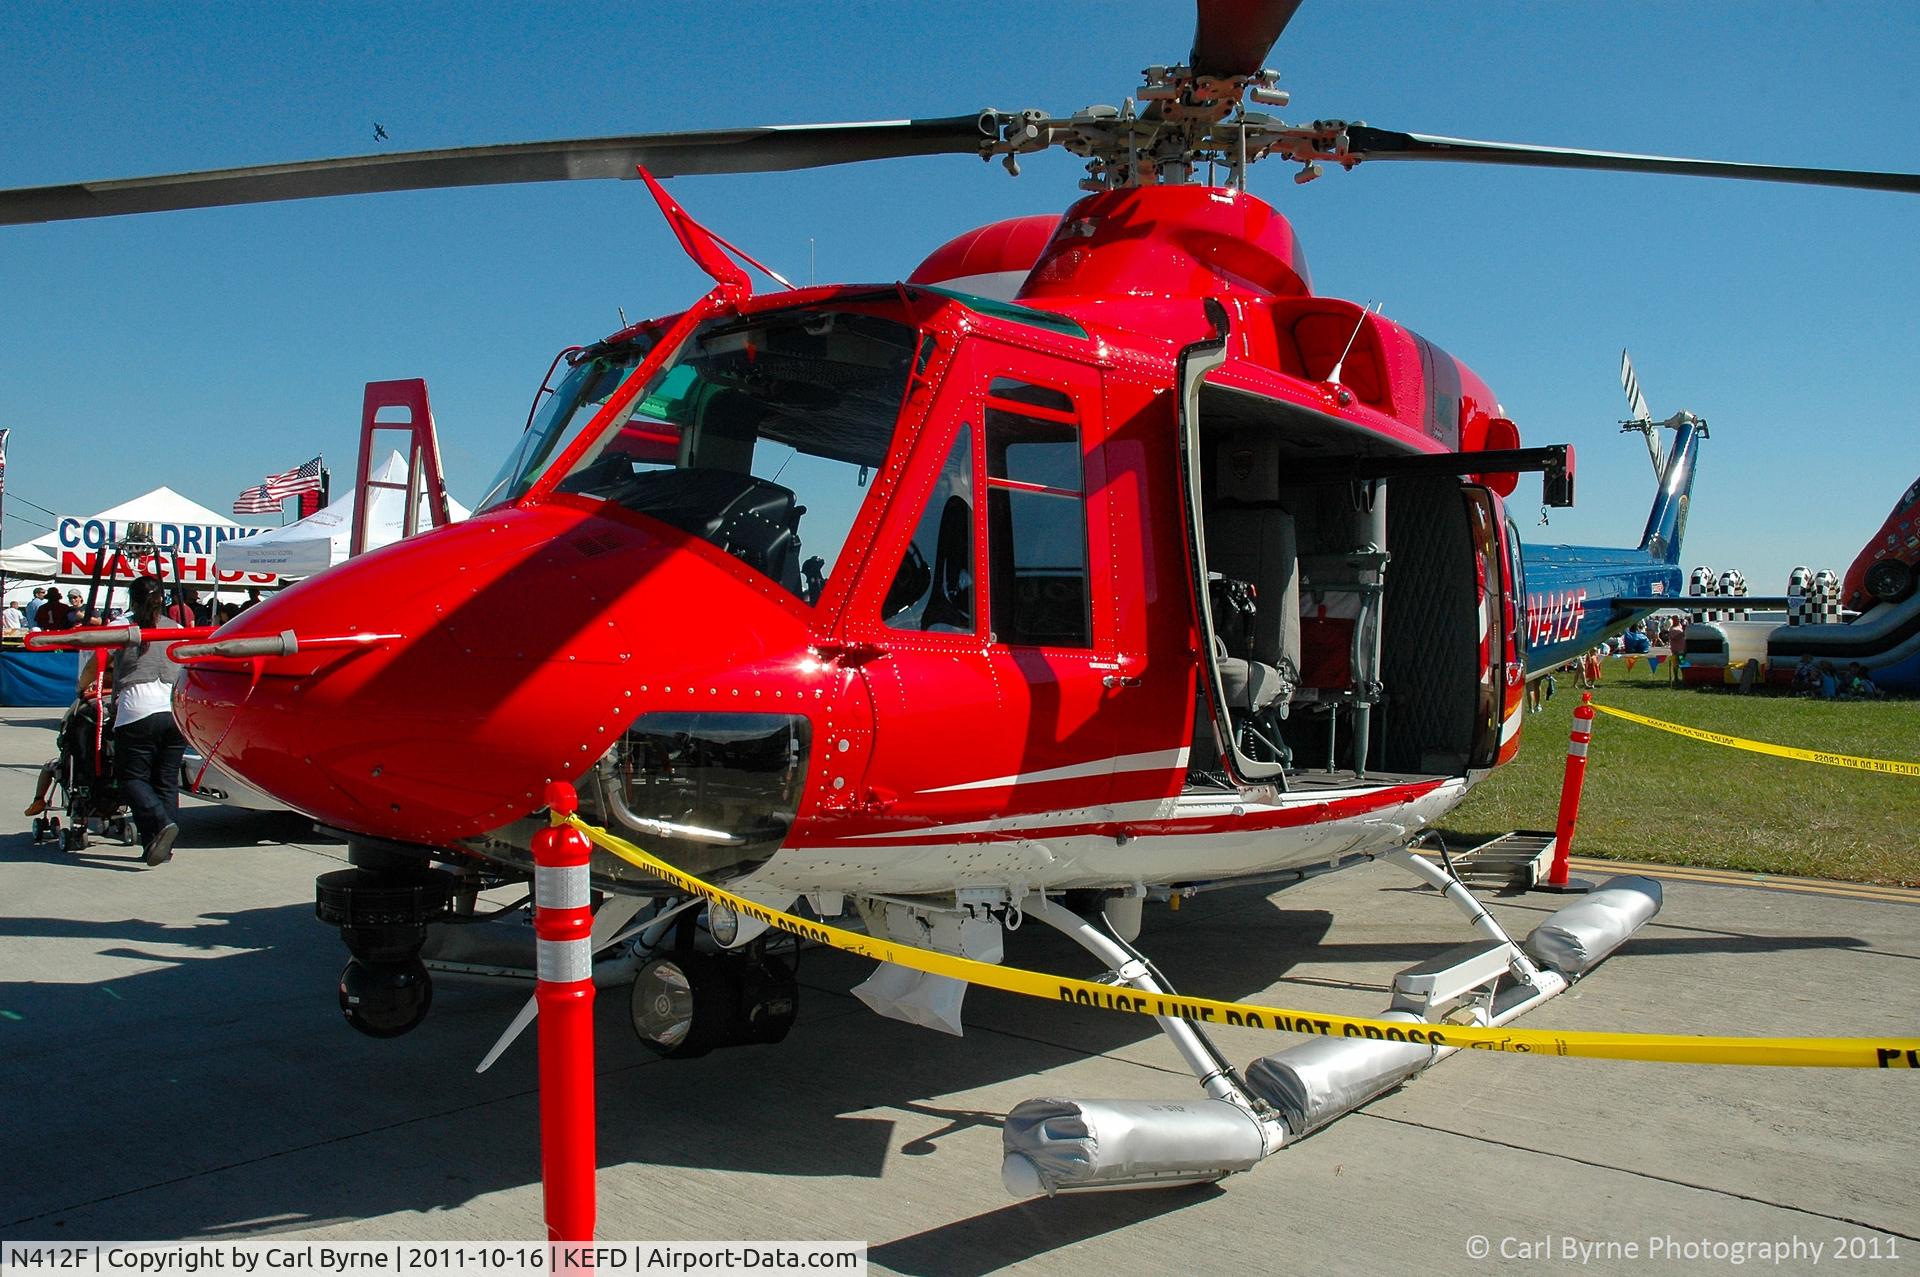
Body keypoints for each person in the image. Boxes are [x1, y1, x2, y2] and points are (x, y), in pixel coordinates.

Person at [111, 577, 187, 865]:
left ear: (132, 599)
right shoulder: (177, 628)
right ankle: (157, 846)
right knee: (166, 780)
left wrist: (83, 686)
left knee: (132, 778)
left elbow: (95, 659)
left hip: (137, 710)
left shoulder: (120, 627)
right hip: (171, 709)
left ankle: (159, 821)